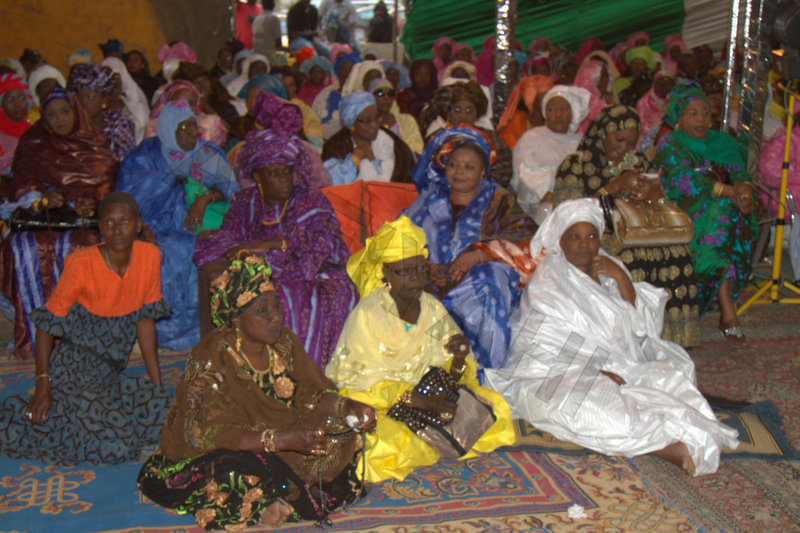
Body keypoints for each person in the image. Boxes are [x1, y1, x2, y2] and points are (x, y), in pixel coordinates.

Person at [484, 198, 740, 477]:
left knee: (670, 379)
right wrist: (594, 368)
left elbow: (638, 327)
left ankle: (626, 433)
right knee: (563, 403)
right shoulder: (549, 279)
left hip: (619, 364)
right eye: (575, 237)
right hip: (553, 372)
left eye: (591, 236)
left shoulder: (609, 269)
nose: (585, 244)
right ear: (561, 243)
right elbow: (541, 342)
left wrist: (621, 278)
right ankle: (660, 446)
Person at [138, 256, 374, 530]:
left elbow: (311, 394)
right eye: (263, 311)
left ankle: (289, 489)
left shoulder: (283, 342)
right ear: (236, 319)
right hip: (227, 449)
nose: (276, 317)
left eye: (276, 307)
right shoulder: (211, 357)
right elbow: (204, 433)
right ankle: (266, 504)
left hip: (282, 436)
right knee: (231, 471)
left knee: (344, 431)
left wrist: (348, 407)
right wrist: (280, 440)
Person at [325, 216, 516, 482]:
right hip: (389, 406)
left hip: (435, 397)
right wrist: (422, 402)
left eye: (420, 269)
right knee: (384, 442)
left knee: (497, 407)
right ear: (386, 273)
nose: (416, 277)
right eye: (406, 271)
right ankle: (432, 444)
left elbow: (459, 374)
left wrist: (459, 357)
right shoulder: (368, 315)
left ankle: (437, 441)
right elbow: (355, 385)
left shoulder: (432, 308)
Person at [0, 192, 172, 464]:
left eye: (124, 221)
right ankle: (40, 414)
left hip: (110, 375)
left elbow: (145, 320)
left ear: (138, 225)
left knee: (167, 415)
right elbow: (46, 327)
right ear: (100, 227)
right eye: (108, 223)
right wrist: (43, 385)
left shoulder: (149, 256)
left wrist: (157, 383)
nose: (116, 230)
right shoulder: (82, 263)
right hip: (74, 370)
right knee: (117, 446)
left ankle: (82, 414)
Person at [195, 128, 356, 367]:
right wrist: (255, 253)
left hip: (317, 271)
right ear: (258, 176)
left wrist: (271, 245)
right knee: (262, 295)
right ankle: (250, 368)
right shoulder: (245, 203)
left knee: (318, 296)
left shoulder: (309, 200)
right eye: (274, 173)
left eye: (287, 172)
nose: (283, 179)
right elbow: (226, 239)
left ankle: (306, 372)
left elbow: (324, 244)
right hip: (263, 272)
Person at [554, 104, 700, 347]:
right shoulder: (576, 164)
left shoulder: (639, 161)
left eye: (631, 143)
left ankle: (673, 338)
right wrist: (613, 187)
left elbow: (661, 200)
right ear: (602, 134)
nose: (624, 148)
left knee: (678, 254)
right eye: (619, 140)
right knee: (632, 257)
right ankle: (635, 335)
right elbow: (567, 214)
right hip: (597, 236)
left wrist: (651, 193)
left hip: (640, 231)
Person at [404, 126, 537, 370]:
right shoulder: (428, 200)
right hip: (431, 286)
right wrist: (427, 268)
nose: (459, 172)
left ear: (483, 172)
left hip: (479, 286)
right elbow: (401, 241)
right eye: (454, 165)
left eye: (469, 167)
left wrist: (479, 255)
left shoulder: (499, 200)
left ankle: (486, 367)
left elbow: (526, 238)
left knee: (489, 276)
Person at [1, 87, 118, 359]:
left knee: (84, 250)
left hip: (85, 225)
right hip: (42, 223)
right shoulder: (33, 142)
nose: (60, 120)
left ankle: (83, 338)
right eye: (52, 115)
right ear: (43, 117)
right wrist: (40, 197)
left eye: (65, 112)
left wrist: (93, 202)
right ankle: (36, 336)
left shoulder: (95, 143)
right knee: (22, 250)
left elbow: (107, 187)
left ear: (75, 111)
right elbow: (20, 182)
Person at [117, 99, 238, 350]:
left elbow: (231, 188)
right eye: (182, 129)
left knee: (207, 248)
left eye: (193, 127)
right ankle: (162, 332)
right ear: (167, 130)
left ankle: (200, 330)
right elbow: (128, 197)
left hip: (203, 226)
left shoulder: (207, 154)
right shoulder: (147, 155)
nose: (191, 134)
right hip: (157, 226)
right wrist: (171, 181)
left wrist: (205, 197)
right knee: (166, 251)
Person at [654, 83, 757, 343]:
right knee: (721, 208)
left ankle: (726, 308)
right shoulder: (671, 144)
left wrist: (744, 190)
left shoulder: (722, 142)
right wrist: (729, 192)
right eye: (693, 113)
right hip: (682, 210)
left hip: (725, 213)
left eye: (705, 113)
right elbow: (683, 182)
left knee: (724, 210)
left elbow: (740, 174)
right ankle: (728, 313)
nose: (701, 119)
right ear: (678, 117)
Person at [511, 85, 590, 222]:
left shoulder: (583, 142)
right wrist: (551, 195)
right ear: (545, 113)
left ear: (573, 112)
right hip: (541, 204)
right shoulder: (531, 138)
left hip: (577, 200)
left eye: (564, 109)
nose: (558, 115)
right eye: (551, 109)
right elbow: (522, 176)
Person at [422, 80, 513, 188]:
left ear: (476, 115)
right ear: (448, 114)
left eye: (469, 111)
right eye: (457, 110)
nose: (463, 116)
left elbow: (503, 172)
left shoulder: (491, 138)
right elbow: (424, 174)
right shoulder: (437, 139)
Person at [322, 91, 414, 184]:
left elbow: (410, 172)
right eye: (367, 121)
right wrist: (354, 160)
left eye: (377, 118)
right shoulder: (336, 147)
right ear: (352, 124)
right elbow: (329, 182)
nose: (375, 125)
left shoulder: (392, 142)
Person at [66, 62, 136, 161]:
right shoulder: (71, 128)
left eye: (90, 97)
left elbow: (129, 162)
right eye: (79, 98)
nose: (84, 102)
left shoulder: (118, 125)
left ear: (104, 101)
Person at [146, 80, 227, 147]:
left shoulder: (210, 124)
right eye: (179, 103)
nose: (185, 108)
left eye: (190, 104)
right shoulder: (156, 127)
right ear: (168, 105)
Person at [496, 74, 555, 150]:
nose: (550, 99)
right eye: (545, 95)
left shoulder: (553, 118)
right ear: (532, 98)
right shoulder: (516, 121)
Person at [100, 56, 151, 143]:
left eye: (116, 83)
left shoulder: (136, 107)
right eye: (108, 82)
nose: (112, 87)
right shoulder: (96, 108)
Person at [173, 61, 239, 126]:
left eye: (205, 81)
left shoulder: (223, 106)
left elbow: (231, 132)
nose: (202, 86)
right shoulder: (181, 109)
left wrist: (207, 107)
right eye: (196, 83)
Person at [312, 52, 361, 139]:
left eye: (350, 70)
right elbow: (314, 116)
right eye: (343, 69)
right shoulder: (326, 92)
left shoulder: (360, 96)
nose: (346, 73)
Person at [369, 77, 423, 154]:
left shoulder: (407, 120)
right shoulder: (367, 125)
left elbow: (417, 150)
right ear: (371, 97)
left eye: (390, 93)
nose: (386, 98)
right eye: (380, 93)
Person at [0, 73, 33, 175]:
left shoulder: (33, 131)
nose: (17, 104)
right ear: (1, 105)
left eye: (21, 98)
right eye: (10, 100)